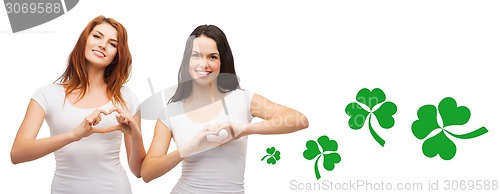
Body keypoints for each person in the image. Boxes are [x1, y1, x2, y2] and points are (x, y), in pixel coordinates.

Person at [141, 24, 309, 193]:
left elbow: (299, 120)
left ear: (222, 61)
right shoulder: (171, 111)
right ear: (187, 60)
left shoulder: (243, 99)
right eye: (196, 55)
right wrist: (189, 148)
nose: (204, 64)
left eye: (212, 57)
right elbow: (147, 172)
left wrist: (243, 130)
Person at [10, 15, 145, 194]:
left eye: (113, 44)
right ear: (84, 40)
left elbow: (138, 171)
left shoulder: (126, 97)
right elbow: (17, 153)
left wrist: (137, 136)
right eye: (97, 36)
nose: (103, 45)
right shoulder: (47, 95)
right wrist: (75, 134)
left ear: (117, 55)